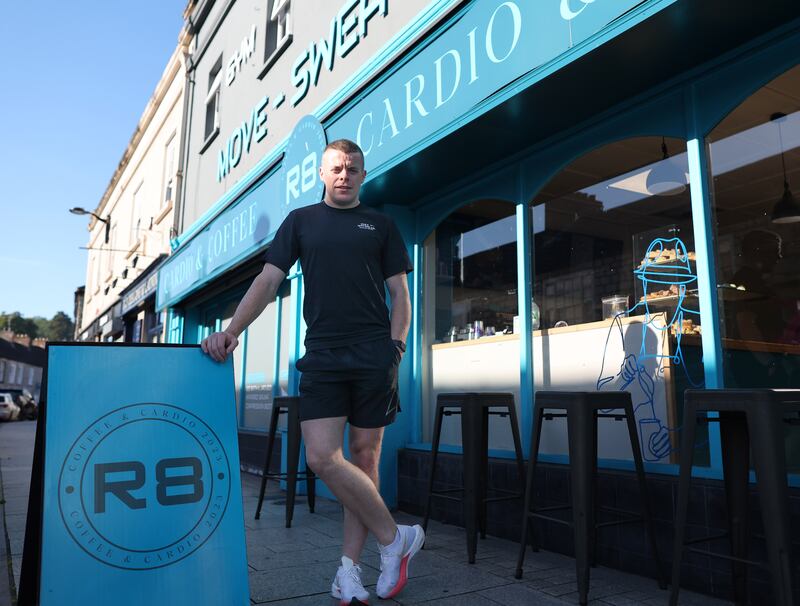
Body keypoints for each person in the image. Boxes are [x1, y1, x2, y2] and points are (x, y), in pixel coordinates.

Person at [201, 138, 424, 605]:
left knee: (364, 460)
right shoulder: (300, 222)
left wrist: (396, 347)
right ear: (323, 173)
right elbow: (267, 281)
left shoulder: (380, 225)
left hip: (373, 356)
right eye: (337, 168)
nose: (344, 175)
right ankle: (393, 538)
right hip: (322, 355)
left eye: (353, 169)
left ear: (364, 175)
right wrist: (233, 330)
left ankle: (348, 572)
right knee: (323, 458)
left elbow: (400, 295)